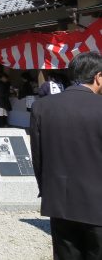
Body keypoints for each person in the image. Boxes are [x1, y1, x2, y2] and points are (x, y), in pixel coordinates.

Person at [31, 51, 102, 258]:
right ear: (98, 76)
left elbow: (38, 157)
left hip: (60, 201)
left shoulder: (42, 106)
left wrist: (46, 190)